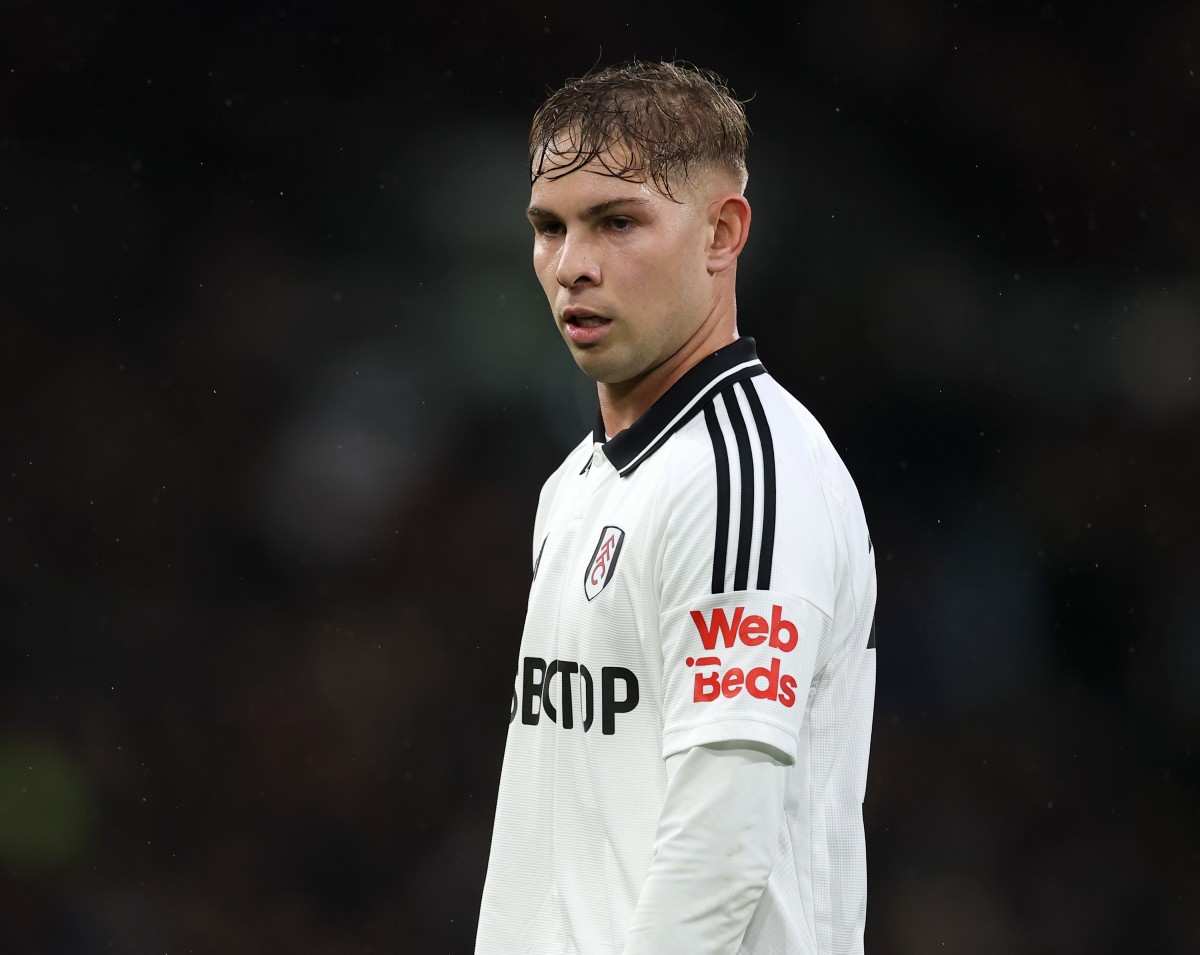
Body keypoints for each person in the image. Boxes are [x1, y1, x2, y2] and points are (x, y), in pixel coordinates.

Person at [475, 59, 877, 955]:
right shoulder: (577, 483)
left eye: (617, 222)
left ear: (722, 233)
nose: (572, 265)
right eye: (550, 227)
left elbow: (719, 852)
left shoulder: (748, 480)